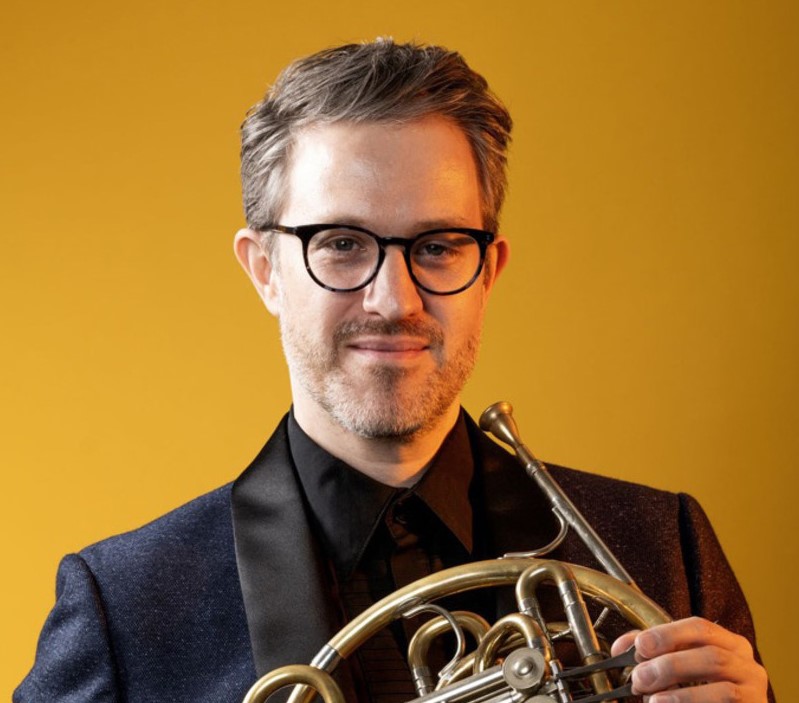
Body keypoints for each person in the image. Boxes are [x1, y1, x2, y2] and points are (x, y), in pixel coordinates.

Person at [16, 39, 770, 703]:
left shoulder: (662, 552)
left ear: (488, 270)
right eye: (341, 242)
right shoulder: (125, 607)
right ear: (264, 270)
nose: (393, 298)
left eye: (437, 244)